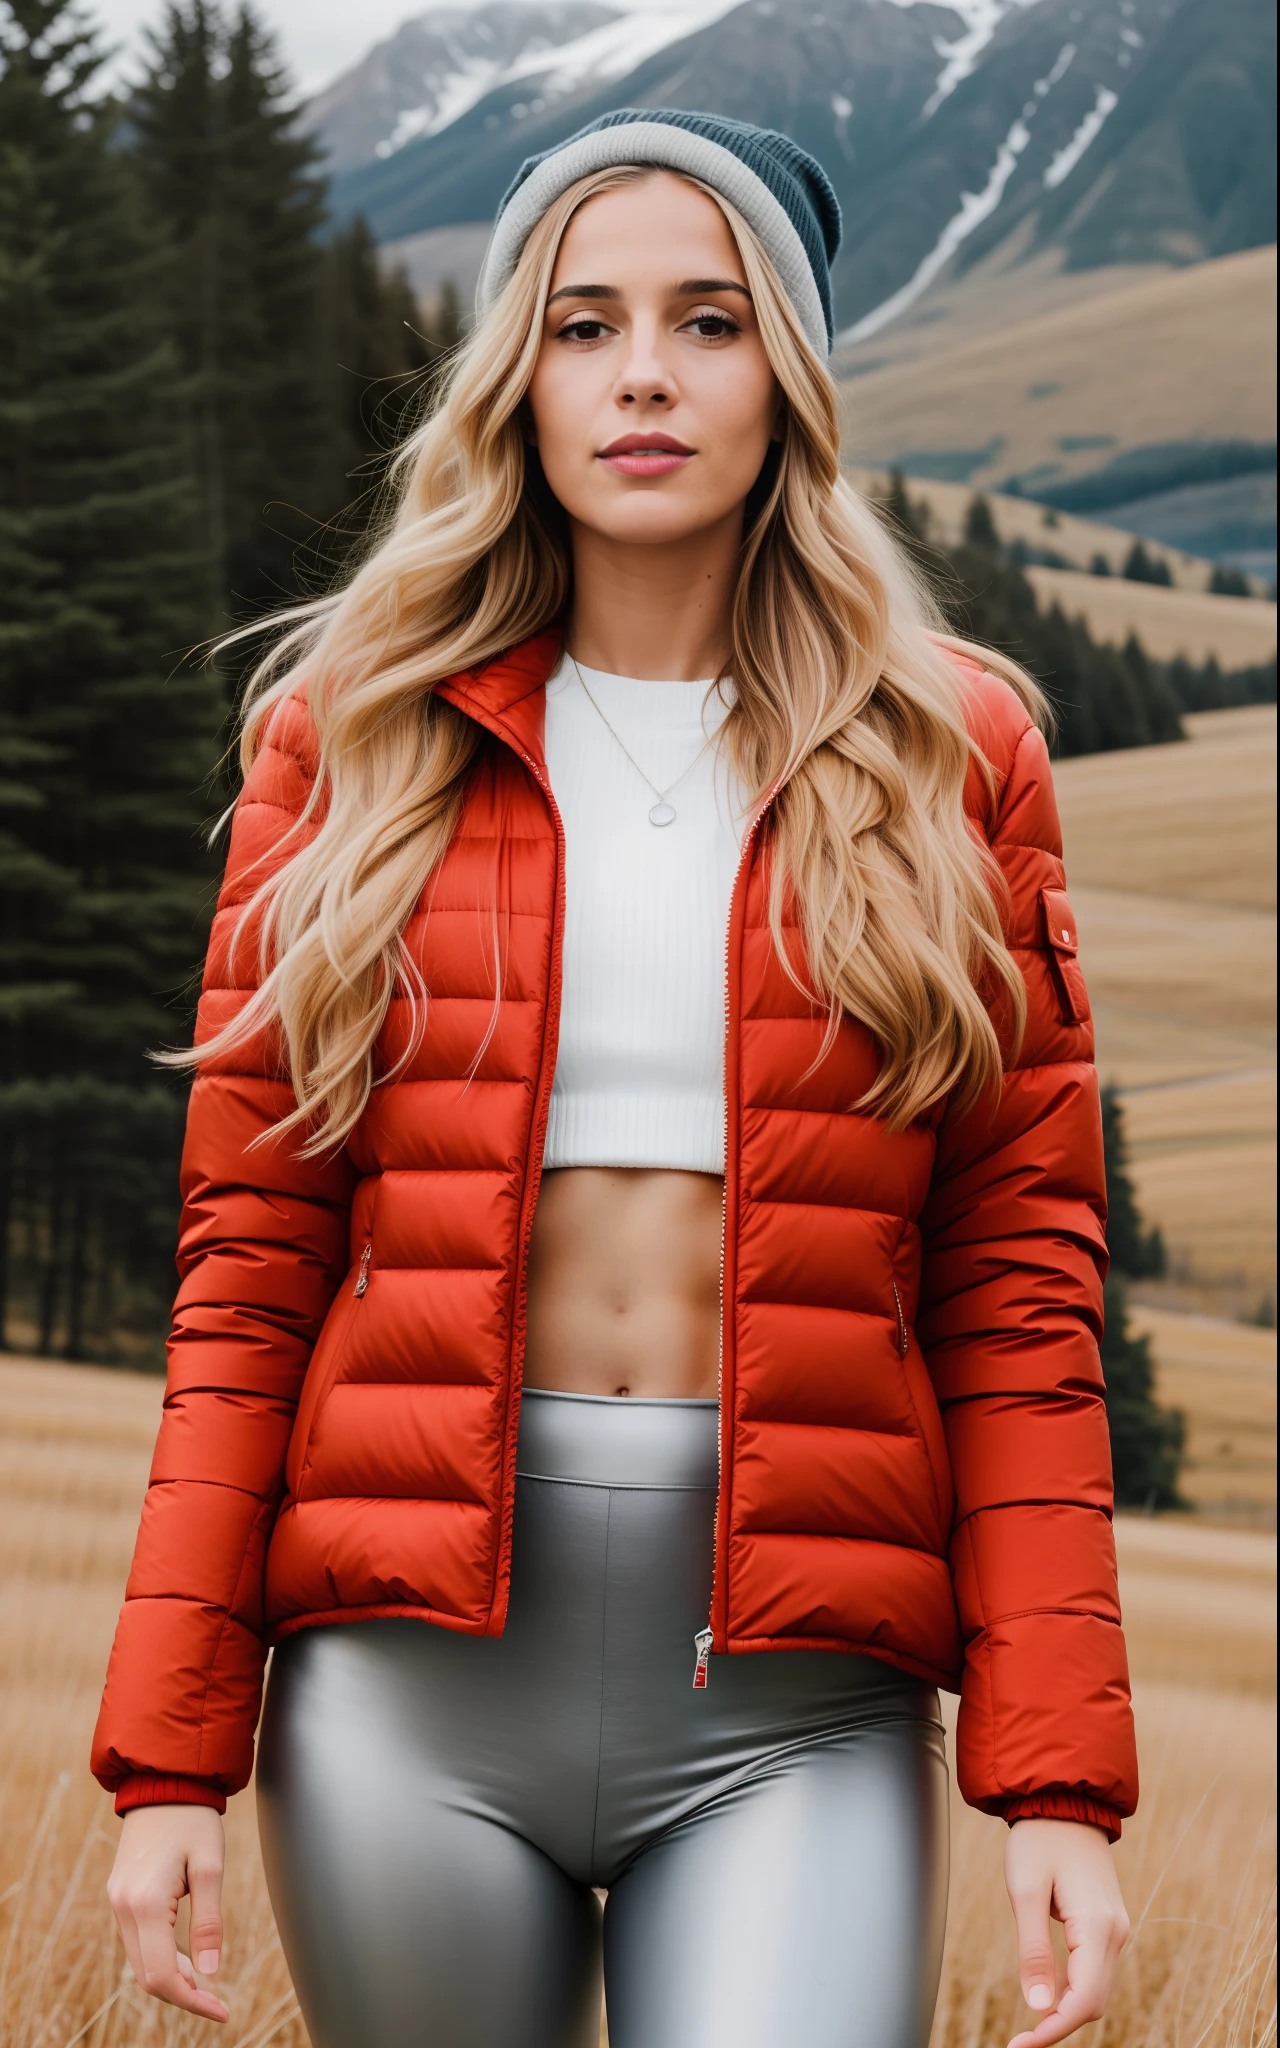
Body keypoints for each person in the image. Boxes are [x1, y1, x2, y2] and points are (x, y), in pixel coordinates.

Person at [94, 110, 1137, 2048]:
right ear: (516, 371)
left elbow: (1015, 1296)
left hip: (796, 1700)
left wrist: (1056, 1779)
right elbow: (248, 1263)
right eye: (581, 321)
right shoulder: (351, 736)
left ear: (790, 377)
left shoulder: (953, 750)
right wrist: (168, 1755)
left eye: (708, 319)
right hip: (397, 1688)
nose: (643, 370)